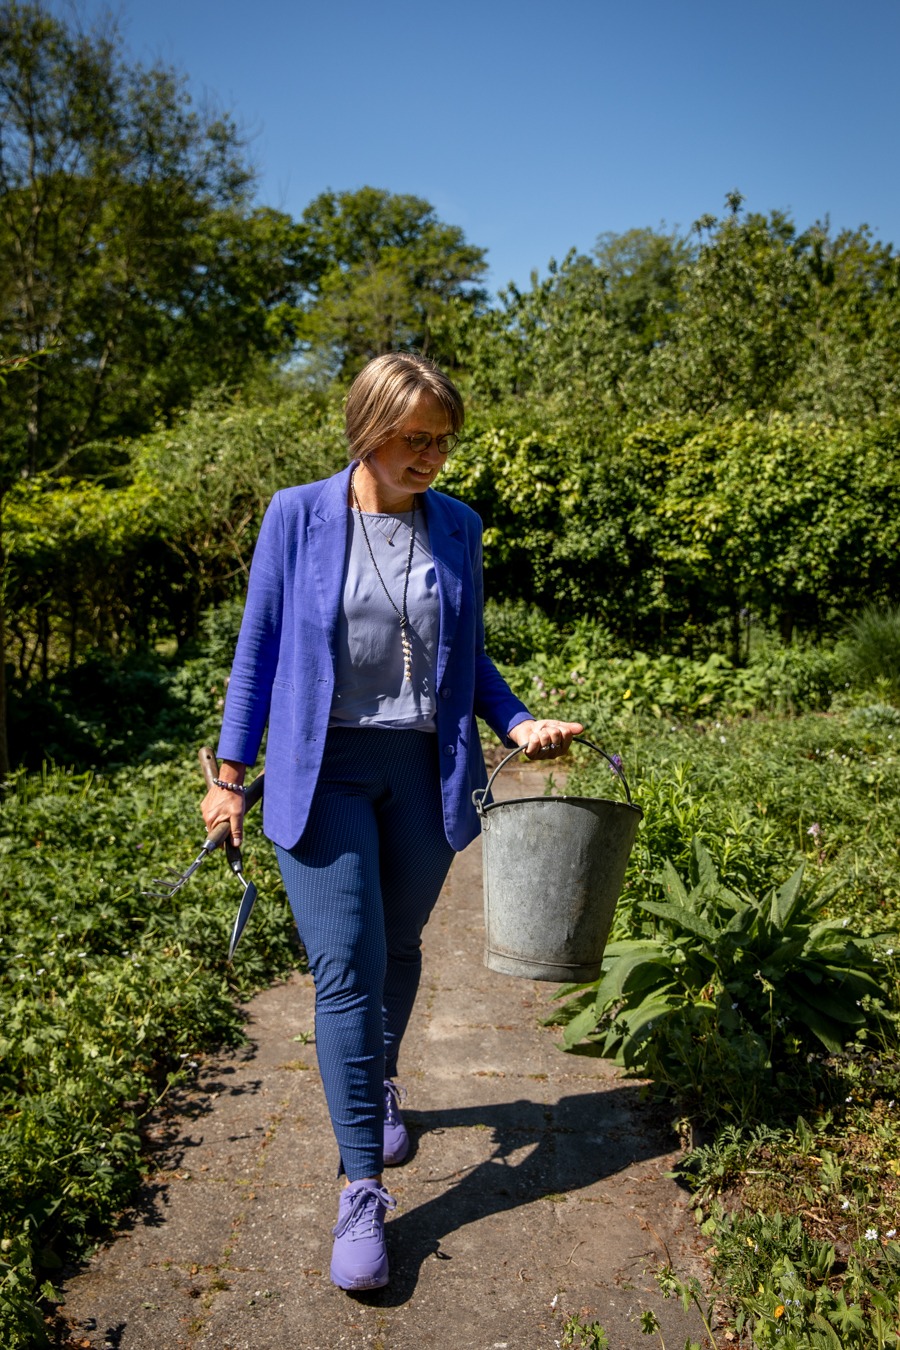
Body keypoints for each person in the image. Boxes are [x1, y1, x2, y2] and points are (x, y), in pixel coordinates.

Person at [201, 352, 582, 1291]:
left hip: (422, 769)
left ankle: (378, 1088)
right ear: (368, 427)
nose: (433, 457)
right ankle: (363, 1188)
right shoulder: (298, 514)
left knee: (402, 946)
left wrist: (519, 719)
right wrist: (229, 775)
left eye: (443, 440)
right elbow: (258, 650)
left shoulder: (458, 526)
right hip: (321, 768)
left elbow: (470, 655)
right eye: (416, 438)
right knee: (346, 968)